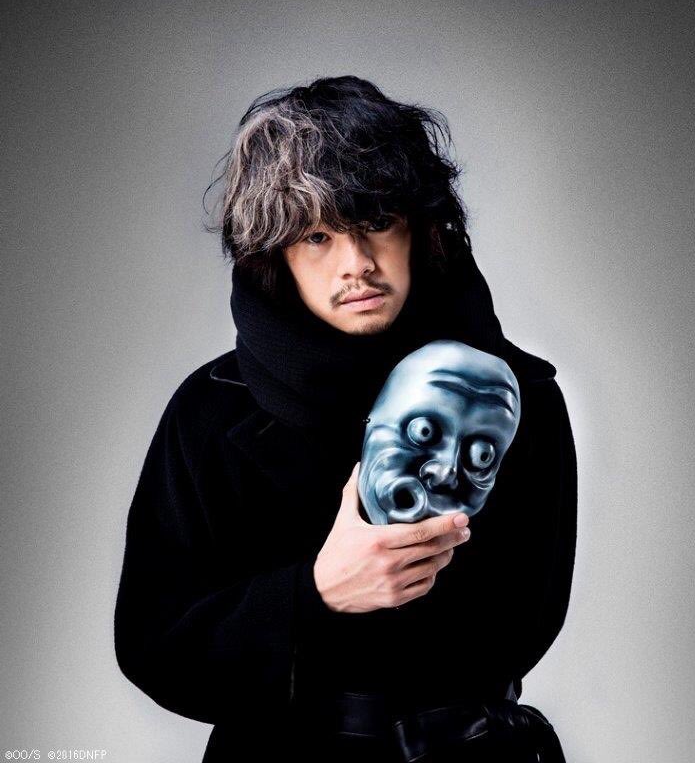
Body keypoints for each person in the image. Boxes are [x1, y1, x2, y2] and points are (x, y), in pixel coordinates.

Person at [114, 75, 577, 762]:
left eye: (378, 223)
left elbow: (527, 622)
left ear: (421, 231)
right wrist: (314, 595)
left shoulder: (518, 396)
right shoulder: (211, 409)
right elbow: (154, 647)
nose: (357, 264)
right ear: (275, 255)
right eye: (318, 235)